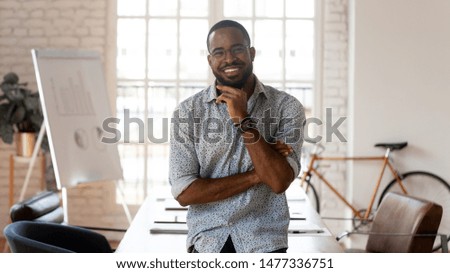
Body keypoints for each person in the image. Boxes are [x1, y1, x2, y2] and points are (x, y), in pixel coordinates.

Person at [169, 20, 306, 253]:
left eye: (237, 49)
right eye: (219, 52)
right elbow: (185, 192)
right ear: (210, 60)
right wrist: (258, 173)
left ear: (251, 53)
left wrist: (243, 119)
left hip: (265, 243)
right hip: (208, 242)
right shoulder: (187, 113)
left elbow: (279, 181)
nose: (229, 59)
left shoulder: (286, 107)